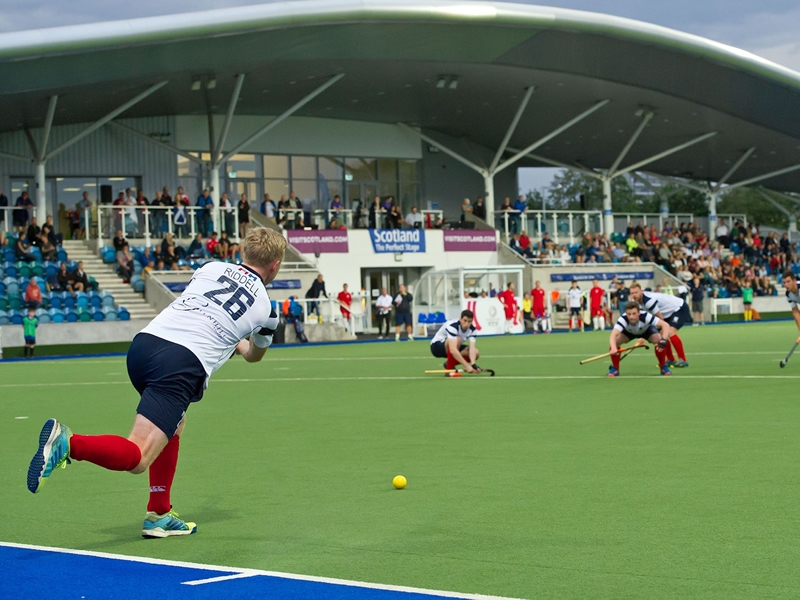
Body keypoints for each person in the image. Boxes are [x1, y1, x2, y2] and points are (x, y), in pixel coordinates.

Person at [27, 227, 286, 539]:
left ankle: (159, 513)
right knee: (138, 456)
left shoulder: (211, 268)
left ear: (243, 252)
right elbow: (255, 355)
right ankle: (68, 444)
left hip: (145, 345)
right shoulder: (266, 310)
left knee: (176, 423)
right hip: (179, 363)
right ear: (275, 265)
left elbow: (203, 307)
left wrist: (229, 339)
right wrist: (239, 344)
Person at [629, 282, 692, 368]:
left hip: (678, 308)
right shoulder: (636, 303)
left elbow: (660, 319)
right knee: (662, 335)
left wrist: (644, 336)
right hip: (667, 313)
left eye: (636, 292)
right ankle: (671, 360)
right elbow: (645, 320)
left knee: (669, 332)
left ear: (641, 291)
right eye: (632, 293)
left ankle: (683, 360)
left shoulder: (648, 301)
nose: (634, 295)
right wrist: (642, 336)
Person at [608, 301, 673, 377]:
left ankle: (663, 366)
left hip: (646, 331)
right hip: (629, 332)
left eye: (634, 313)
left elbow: (665, 325)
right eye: (629, 314)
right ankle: (615, 368)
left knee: (659, 341)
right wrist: (613, 347)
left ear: (639, 312)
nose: (631, 316)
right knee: (615, 343)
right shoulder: (623, 319)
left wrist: (664, 339)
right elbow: (613, 334)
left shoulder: (645, 316)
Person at [429, 309, 482, 374]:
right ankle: (449, 370)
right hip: (437, 346)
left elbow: (472, 349)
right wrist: (467, 366)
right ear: (460, 319)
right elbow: (453, 350)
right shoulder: (453, 326)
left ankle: (448, 363)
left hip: (454, 345)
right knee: (458, 339)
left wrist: (473, 364)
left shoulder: (472, 330)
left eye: (469, 321)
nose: (466, 324)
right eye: (465, 321)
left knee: (476, 352)